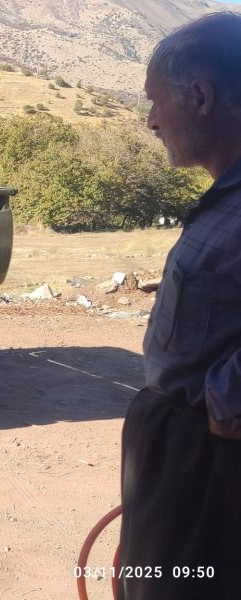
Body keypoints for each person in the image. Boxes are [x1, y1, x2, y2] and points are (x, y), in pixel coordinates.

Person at [122, 11, 241, 600]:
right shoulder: (228, 197)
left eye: (155, 101)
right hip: (180, 451)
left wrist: (232, 395)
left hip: (210, 461)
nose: (150, 120)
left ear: (199, 97)